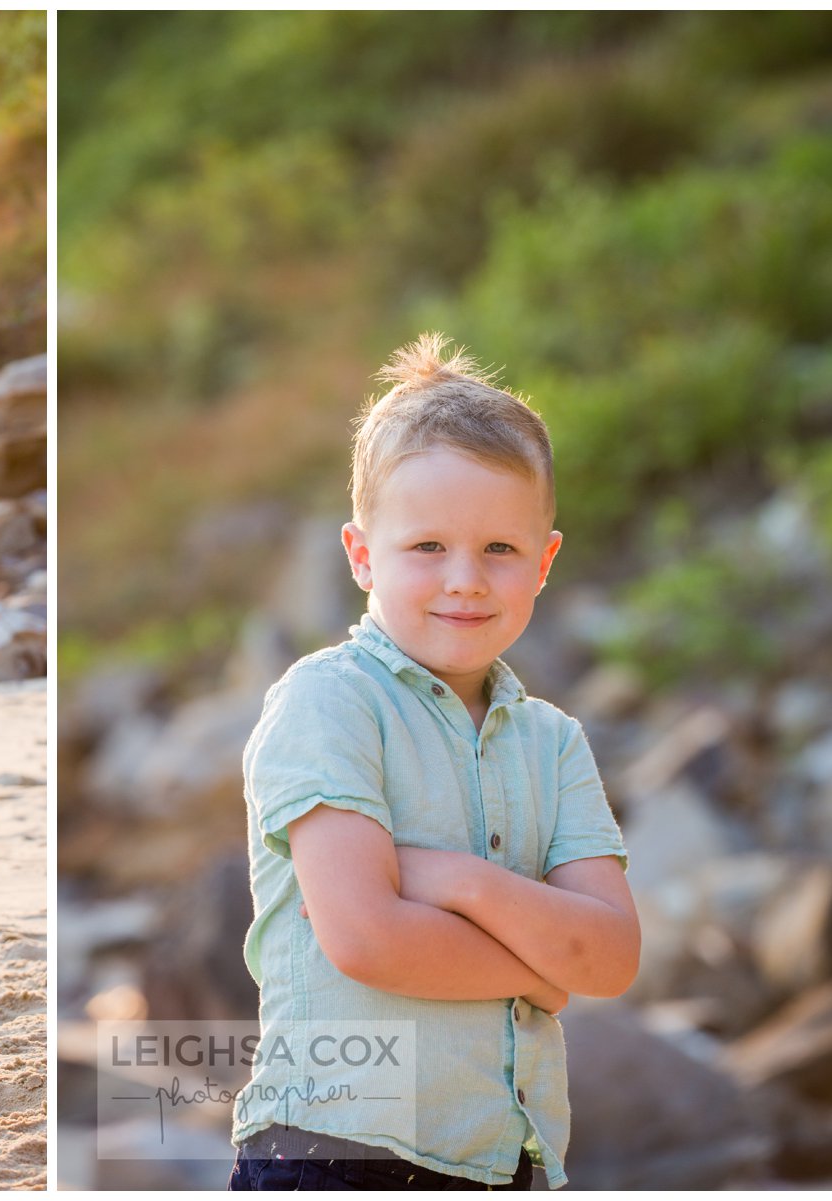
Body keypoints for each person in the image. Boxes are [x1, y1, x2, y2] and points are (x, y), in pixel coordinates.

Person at [229, 333, 638, 1189]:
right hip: (338, 1148)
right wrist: (538, 971)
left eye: (500, 549)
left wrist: (460, 881)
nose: (466, 580)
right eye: (426, 548)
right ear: (361, 554)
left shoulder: (552, 741)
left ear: (545, 561)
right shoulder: (329, 703)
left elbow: (609, 957)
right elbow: (369, 937)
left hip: (506, 1160)